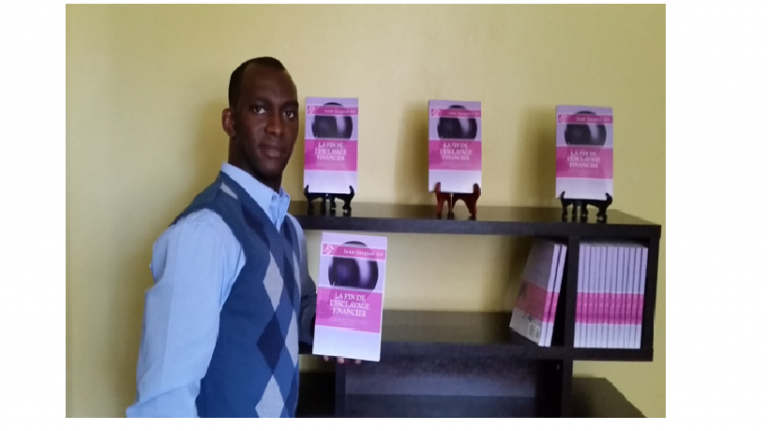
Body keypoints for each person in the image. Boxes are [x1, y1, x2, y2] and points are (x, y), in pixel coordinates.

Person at [126, 57, 356, 419]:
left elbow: (296, 309)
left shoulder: (290, 229)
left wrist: (339, 328)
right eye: (259, 109)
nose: (277, 127)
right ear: (230, 121)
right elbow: (163, 403)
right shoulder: (204, 234)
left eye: (289, 113)